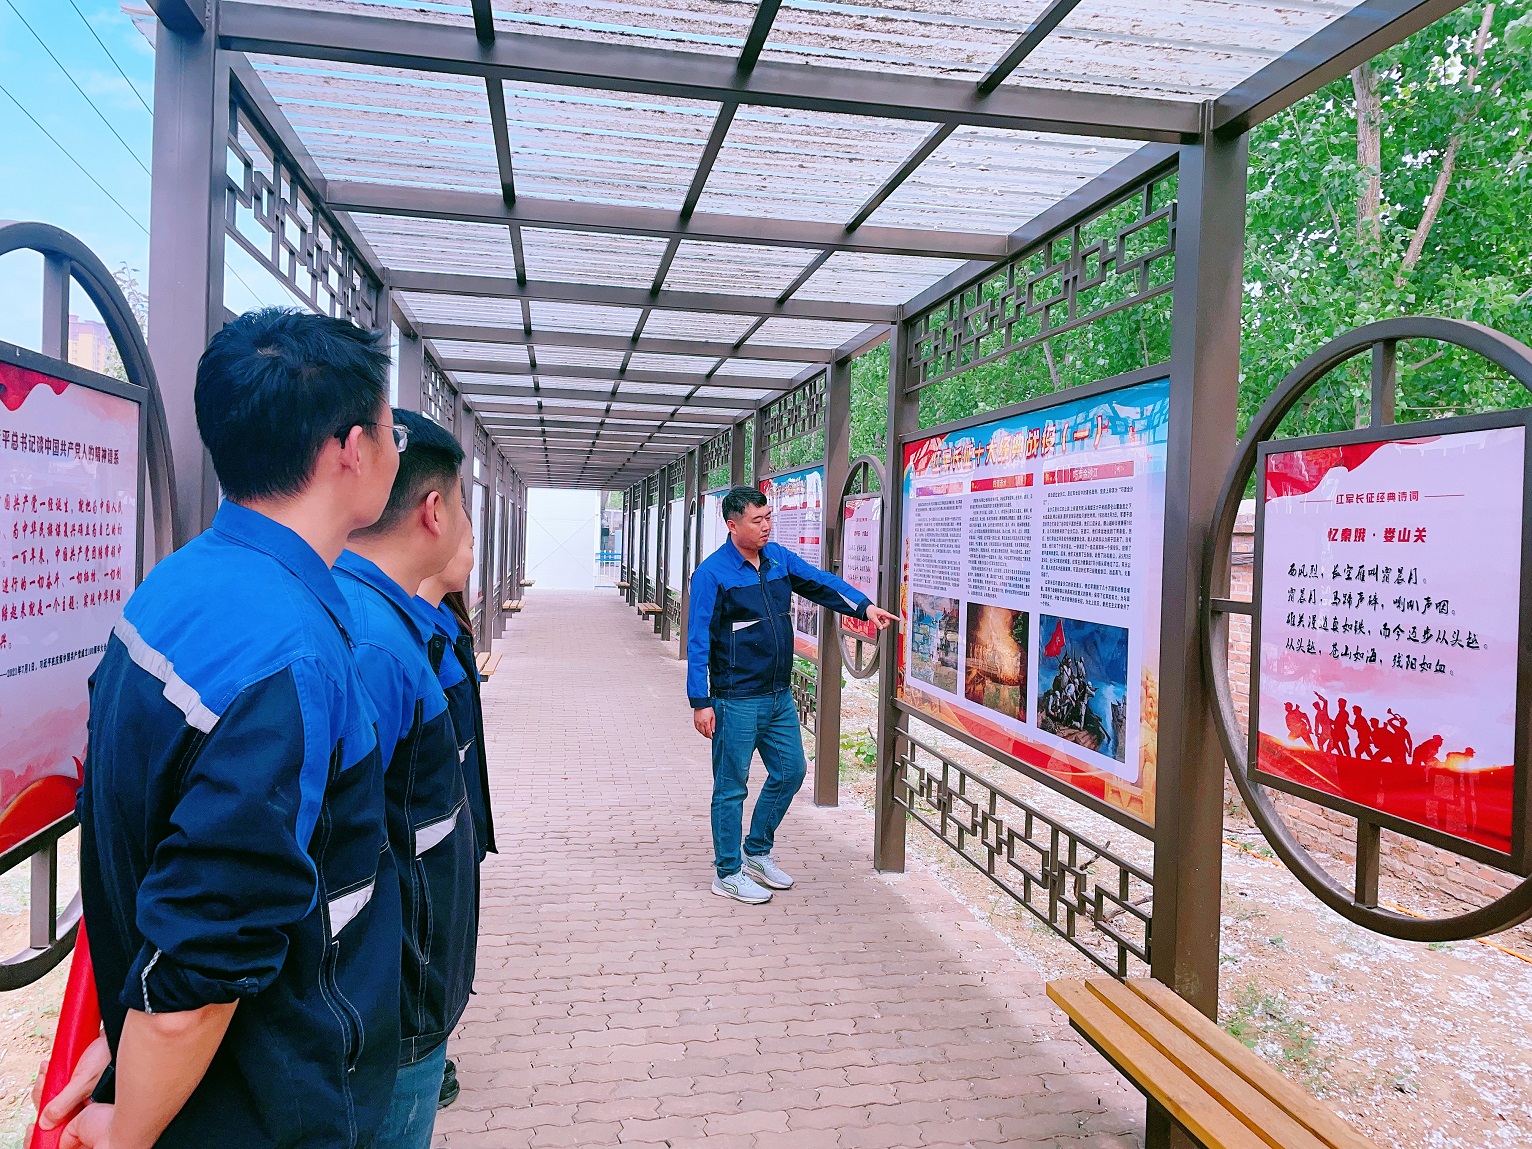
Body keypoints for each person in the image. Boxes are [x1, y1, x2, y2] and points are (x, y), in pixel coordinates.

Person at [69, 309, 405, 1148]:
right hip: (260, 1107)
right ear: (349, 449)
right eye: (390, 431)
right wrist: (128, 1125)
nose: (394, 452)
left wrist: (123, 1044)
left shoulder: (178, 584)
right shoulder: (289, 657)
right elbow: (204, 961)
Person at [334, 409, 479, 1149]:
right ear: (434, 511)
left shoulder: (387, 624)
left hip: (403, 993)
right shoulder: (374, 646)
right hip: (387, 1009)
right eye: (463, 508)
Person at [686, 486, 895, 904]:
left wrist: (864, 607)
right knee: (731, 787)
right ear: (733, 525)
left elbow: (820, 583)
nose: (766, 526)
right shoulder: (712, 574)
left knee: (791, 772)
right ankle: (727, 872)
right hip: (735, 698)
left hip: (778, 696)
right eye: (757, 520)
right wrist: (701, 702)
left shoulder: (778, 558)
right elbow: (697, 640)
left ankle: (756, 852)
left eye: (768, 517)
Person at [416, 524, 496, 1110]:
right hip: (427, 830)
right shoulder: (405, 634)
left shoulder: (443, 619)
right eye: (467, 542)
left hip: (454, 812)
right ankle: (422, 1050)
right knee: (426, 936)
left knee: (445, 935)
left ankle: (432, 1042)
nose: (472, 556)